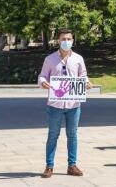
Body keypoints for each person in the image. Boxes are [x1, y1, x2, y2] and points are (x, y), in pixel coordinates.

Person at [38, 29, 91, 178]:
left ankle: (72, 165)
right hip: (55, 104)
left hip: (74, 105)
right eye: (63, 39)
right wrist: (43, 83)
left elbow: (83, 75)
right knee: (53, 135)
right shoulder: (50, 59)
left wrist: (87, 82)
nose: (66, 41)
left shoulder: (78, 59)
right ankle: (49, 166)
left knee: (72, 135)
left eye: (69, 38)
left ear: (73, 41)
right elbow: (42, 76)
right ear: (58, 41)